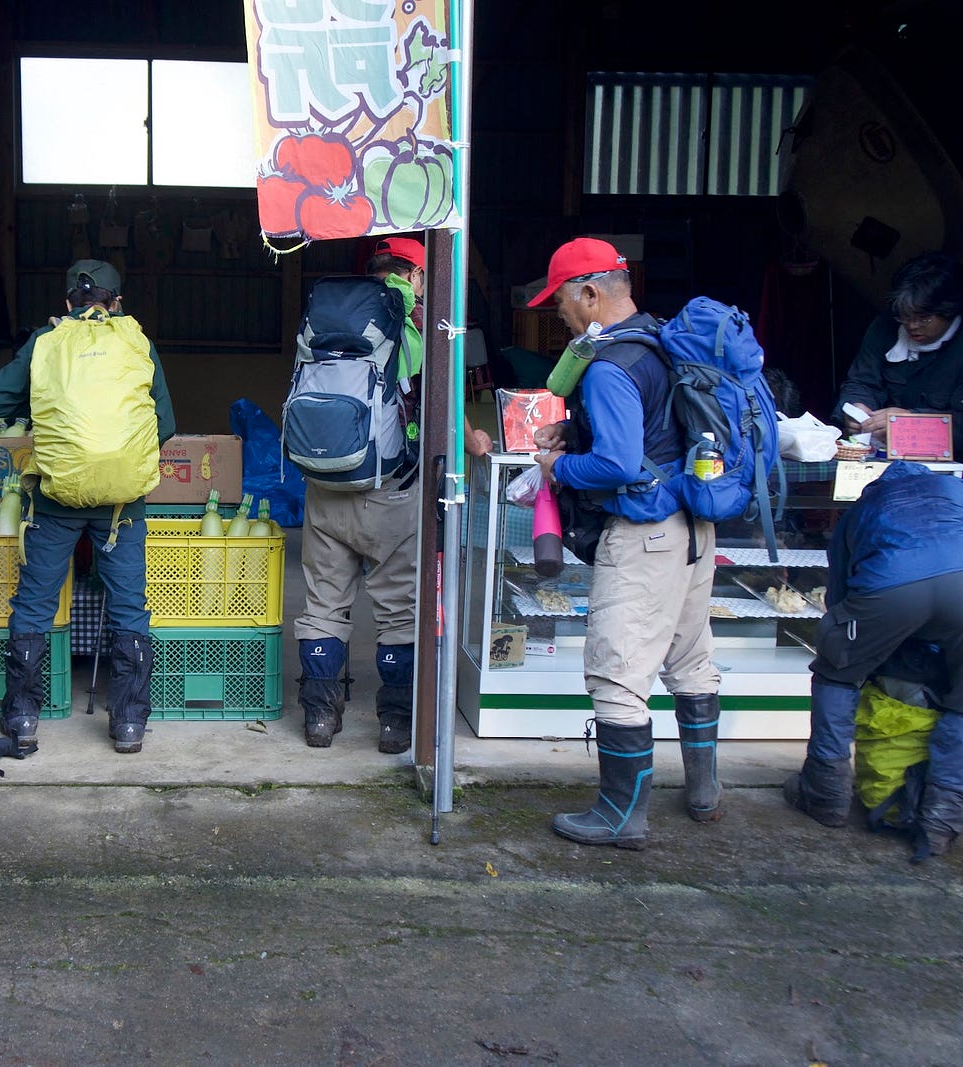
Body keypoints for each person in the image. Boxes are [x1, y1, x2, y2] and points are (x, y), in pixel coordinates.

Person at [528, 237, 723, 848]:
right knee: (690, 660)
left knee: (617, 675)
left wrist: (558, 469)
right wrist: (577, 425)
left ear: (590, 293)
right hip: (694, 527)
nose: (556, 312)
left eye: (559, 300)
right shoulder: (659, 341)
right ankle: (704, 793)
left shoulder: (610, 366)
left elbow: (616, 463)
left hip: (644, 536)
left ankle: (621, 815)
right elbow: (658, 428)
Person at [293, 235, 489, 756]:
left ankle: (318, 717)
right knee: (399, 610)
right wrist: (472, 441)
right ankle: (395, 723)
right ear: (418, 276)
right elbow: (438, 392)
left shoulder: (332, 315)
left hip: (326, 484)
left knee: (323, 604)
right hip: (392, 492)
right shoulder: (414, 319)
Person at [783, 461, 963, 860]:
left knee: (836, 674)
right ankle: (940, 823)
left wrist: (870, 645)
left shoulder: (865, 508)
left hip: (890, 587)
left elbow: (839, 599)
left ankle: (826, 796)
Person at [0, 259, 176, 754]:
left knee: (35, 603)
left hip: (56, 497)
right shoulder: (137, 341)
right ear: (117, 303)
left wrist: (49, 410)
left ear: (67, 302)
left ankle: (24, 718)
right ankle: (129, 723)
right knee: (130, 605)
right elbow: (167, 425)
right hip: (122, 501)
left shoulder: (45, 343)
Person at [837, 252, 963, 489]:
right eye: (904, 316)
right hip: (881, 465)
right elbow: (861, 381)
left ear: (949, 310)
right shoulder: (884, 328)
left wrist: (909, 423)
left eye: (924, 318)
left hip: (955, 477)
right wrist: (856, 406)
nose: (912, 325)